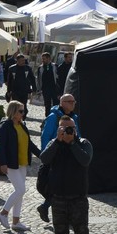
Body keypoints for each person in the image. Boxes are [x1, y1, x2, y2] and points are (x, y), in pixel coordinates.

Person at [39, 115, 94, 234]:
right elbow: (44, 159)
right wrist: (57, 140)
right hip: (59, 200)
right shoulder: (54, 144)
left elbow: (85, 161)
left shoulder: (83, 144)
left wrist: (71, 143)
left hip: (78, 199)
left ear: (75, 129)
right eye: (64, 128)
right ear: (59, 129)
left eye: (70, 128)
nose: (68, 131)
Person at [0, 100, 41, 231]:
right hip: (11, 163)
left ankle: (16, 222)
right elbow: (1, 147)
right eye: (21, 111)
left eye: (24, 111)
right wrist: (3, 163)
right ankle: (3, 213)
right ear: (13, 112)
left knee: (20, 192)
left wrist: (42, 155)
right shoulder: (5, 126)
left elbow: (30, 144)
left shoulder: (22, 125)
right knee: (21, 190)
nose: (23, 113)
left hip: (22, 162)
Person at [37, 94, 80, 222]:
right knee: (57, 186)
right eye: (70, 101)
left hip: (70, 155)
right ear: (62, 103)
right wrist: (47, 155)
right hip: (56, 156)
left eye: (74, 101)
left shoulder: (74, 118)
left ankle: (46, 207)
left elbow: (78, 134)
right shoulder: (53, 117)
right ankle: (49, 208)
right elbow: (45, 137)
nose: (73, 104)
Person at [38, 52, 58, 117]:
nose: (43, 60)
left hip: (54, 88)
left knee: (56, 104)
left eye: (44, 59)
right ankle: (47, 117)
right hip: (45, 89)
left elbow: (57, 77)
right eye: (42, 59)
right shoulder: (40, 68)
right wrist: (39, 88)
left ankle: (55, 116)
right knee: (47, 104)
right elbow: (39, 79)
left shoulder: (54, 66)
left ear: (49, 58)